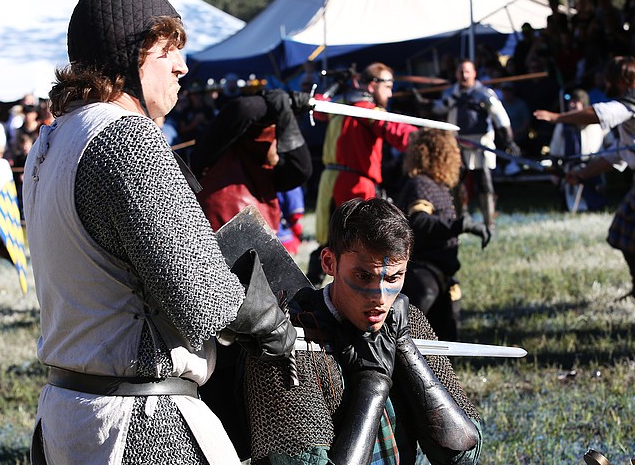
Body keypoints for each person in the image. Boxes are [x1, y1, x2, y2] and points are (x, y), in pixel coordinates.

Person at [22, 0, 295, 465]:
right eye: (167, 49)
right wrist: (277, 324)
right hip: (141, 429)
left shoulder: (51, 143)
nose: (182, 66)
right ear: (127, 57)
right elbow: (205, 302)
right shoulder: (126, 140)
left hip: (74, 416)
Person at [243, 198, 482, 465]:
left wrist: (405, 351)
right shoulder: (285, 346)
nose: (379, 298)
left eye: (393, 278)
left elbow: (461, 456)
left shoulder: (406, 322)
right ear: (329, 262)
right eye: (363, 276)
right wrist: (372, 383)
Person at [534, 56, 635, 300]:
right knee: (625, 230)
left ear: (619, 80)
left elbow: (600, 114)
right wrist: (581, 174)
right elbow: (618, 154)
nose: (605, 84)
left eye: (608, 79)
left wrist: (558, 118)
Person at [307, 63, 418, 285]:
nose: (390, 93)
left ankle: (309, 288)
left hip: (331, 182)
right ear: (372, 85)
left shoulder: (340, 106)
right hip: (355, 184)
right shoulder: (366, 110)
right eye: (387, 86)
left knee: (333, 241)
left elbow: (317, 106)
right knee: (361, 243)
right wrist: (422, 140)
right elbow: (396, 130)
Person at [395, 129, 491, 341]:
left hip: (442, 276)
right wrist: (460, 225)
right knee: (415, 344)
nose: (458, 157)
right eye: (454, 151)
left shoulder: (438, 187)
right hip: (422, 275)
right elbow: (419, 222)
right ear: (441, 154)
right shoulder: (421, 184)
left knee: (445, 347)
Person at [191, 89, 312, 232]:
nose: (276, 146)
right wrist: (277, 102)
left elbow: (301, 169)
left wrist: (286, 114)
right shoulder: (218, 153)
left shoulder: (267, 175)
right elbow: (243, 109)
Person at [432, 59, 521, 229]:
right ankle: (459, 219)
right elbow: (439, 108)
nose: (464, 75)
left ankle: (489, 221)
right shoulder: (452, 94)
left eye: (467, 71)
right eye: (461, 72)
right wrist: (423, 103)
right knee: (455, 182)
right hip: (457, 143)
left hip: (481, 144)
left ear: (474, 73)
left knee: (484, 182)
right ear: (456, 74)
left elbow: (500, 116)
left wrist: (509, 140)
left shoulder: (484, 94)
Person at [547, 88, 609, 212]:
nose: (572, 105)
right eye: (571, 102)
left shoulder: (597, 122)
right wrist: (554, 170)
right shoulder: (563, 124)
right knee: (572, 203)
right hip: (571, 168)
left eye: (576, 102)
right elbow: (555, 148)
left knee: (595, 201)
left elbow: (609, 141)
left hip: (593, 167)